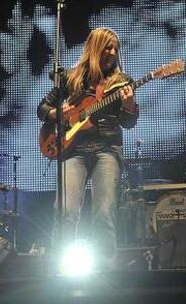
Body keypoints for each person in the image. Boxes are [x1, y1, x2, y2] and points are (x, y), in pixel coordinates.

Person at [37, 28, 138, 271]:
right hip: (73, 150)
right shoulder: (71, 78)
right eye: (107, 47)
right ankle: (58, 270)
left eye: (115, 48)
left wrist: (129, 105)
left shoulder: (122, 81)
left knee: (104, 212)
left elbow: (129, 122)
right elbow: (42, 108)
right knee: (65, 211)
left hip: (107, 150)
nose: (112, 53)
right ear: (94, 48)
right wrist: (59, 113)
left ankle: (105, 271)